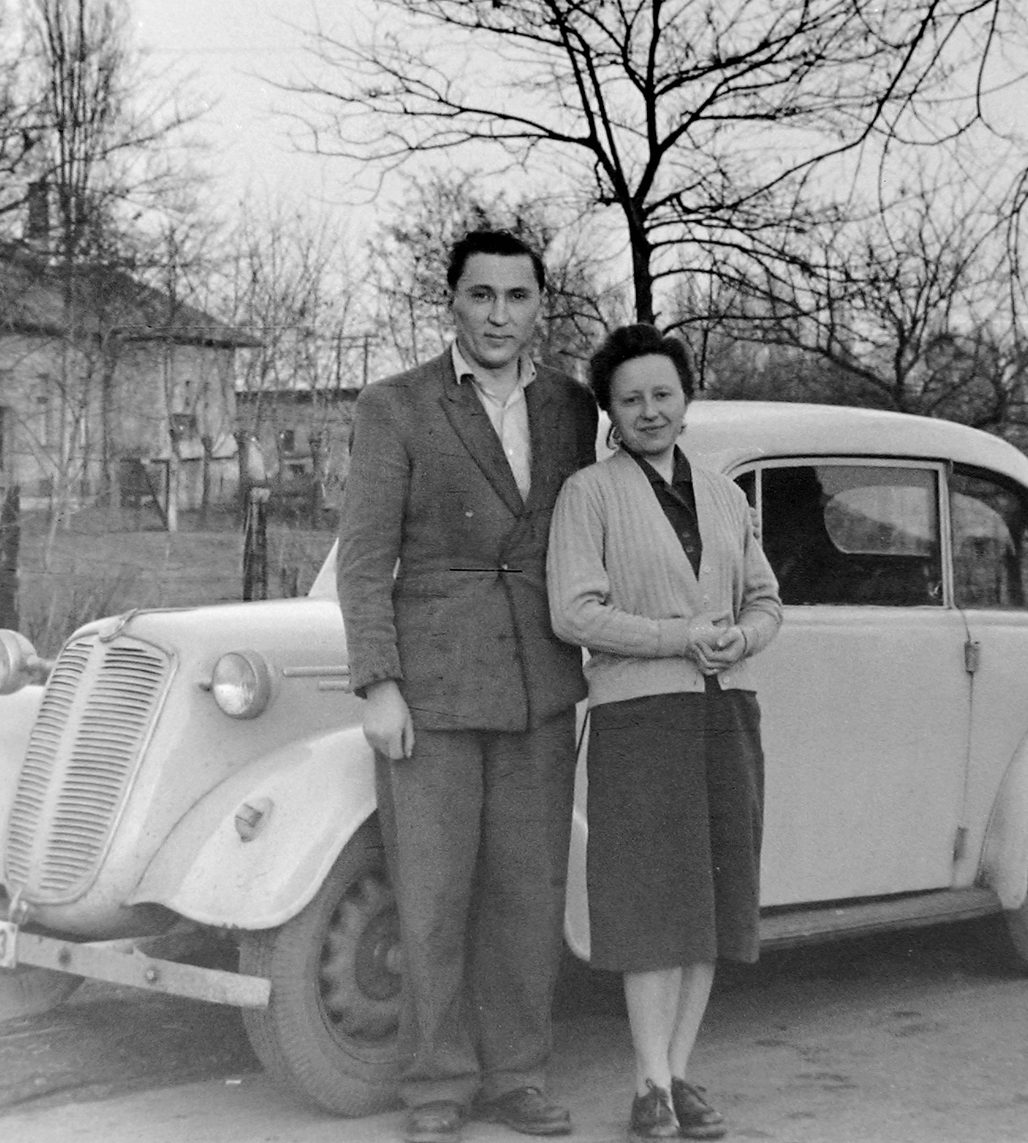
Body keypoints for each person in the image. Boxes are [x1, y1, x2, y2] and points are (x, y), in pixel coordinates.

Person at [336, 230, 599, 1143]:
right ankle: (438, 1086)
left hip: (541, 688)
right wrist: (379, 683)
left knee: (529, 893)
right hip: (435, 692)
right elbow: (366, 561)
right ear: (450, 301)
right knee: (435, 894)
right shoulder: (396, 405)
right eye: (480, 295)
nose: (498, 315)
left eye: (517, 297)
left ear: (540, 306)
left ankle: (518, 1076)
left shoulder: (571, 405)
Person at [546, 324, 782, 1142]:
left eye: (663, 394)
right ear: (610, 410)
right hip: (639, 717)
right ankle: (646, 1083)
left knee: (712, 901)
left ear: (687, 399)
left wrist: (739, 639)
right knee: (653, 903)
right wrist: (677, 635)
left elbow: (766, 600)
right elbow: (574, 610)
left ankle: (681, 1073)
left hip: (725, 713)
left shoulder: (723, 493)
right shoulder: (590, 494)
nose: (650, 410)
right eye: (631, 398)